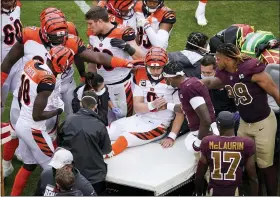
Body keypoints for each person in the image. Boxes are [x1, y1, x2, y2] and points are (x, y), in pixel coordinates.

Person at [1, 11, 134, 177]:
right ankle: (8, 162)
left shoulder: (69, 35)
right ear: (43, 30)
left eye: (62, 35)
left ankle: (63, 153)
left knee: (62, 124)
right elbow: (7, 63)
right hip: (35, 91)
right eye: (54, 36)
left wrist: (123, 62)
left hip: (61, 86)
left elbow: (93, 56)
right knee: (18, 127)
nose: (59, 40)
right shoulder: (29, 35)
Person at [201, 43, 280, 195]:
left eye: (218, 59)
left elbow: (276, 93)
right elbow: (211, 82)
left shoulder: (252, 70)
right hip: (245, 123)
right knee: (243, 162)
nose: (216, 62)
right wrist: (194, 83)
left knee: (265, 165)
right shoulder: (225, 73)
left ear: (228, 59)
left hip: (263, 123)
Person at [10, 46, 74, 195]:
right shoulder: (47, 80)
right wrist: (58, 111)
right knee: (55, 170)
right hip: (33, 128)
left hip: (22, 122)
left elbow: (23, 96)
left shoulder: (32, 64)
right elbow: (37, 116)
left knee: (29, 164)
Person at [104, 47, 184, 157]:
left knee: (126, 138)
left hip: (159, 124)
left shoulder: (172, 80)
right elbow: (137, 107)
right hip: (139, 117)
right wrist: (153, 105)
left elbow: (180, 112)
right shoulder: (141, 74)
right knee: (107, 131)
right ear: (146, 66)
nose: (155, 71)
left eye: (159, 68)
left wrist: (172, 136)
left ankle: (99, 158)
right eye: (152, 67)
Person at [86, 6, 145, 122]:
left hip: (121, 84)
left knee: (124, 118)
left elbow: (141, 57)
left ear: (100, 21)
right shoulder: (92, 35)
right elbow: (92, 59)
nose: (89, 27)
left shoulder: (123, 32)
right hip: (101, 85)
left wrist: (127, 47)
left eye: (90, 23)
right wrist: (89, 79)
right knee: (104, 119)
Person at [60, 91, 112, 195]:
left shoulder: (67, 120)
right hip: (94, 176)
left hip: (71, 173)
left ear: (80, 103)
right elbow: (106, 149)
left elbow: (60, 143)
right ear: (96, 106)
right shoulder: (99, 125)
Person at [195, 111, 258, 196]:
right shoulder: (247, 143)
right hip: (235, 192)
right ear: (234, 123)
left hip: (214, 192)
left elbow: (199, 175)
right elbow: (253, 177)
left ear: (218, 126)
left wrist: (199, 193)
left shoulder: (207, 141)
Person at [162, 61, 218, 154]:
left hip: (205, 134)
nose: (166, 81)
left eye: (165, 79)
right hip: (204, 131)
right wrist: (166, 105)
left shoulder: (189, 88)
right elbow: (186, 108)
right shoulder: (188, 84)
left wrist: (198, 143)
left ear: (171, 78)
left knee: (203, 164)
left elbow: (206, 120)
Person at [1, 0, 23, 113]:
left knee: (22, 101)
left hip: (18, 65)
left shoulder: (16, 10)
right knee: (1, 104)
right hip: (2, 68)